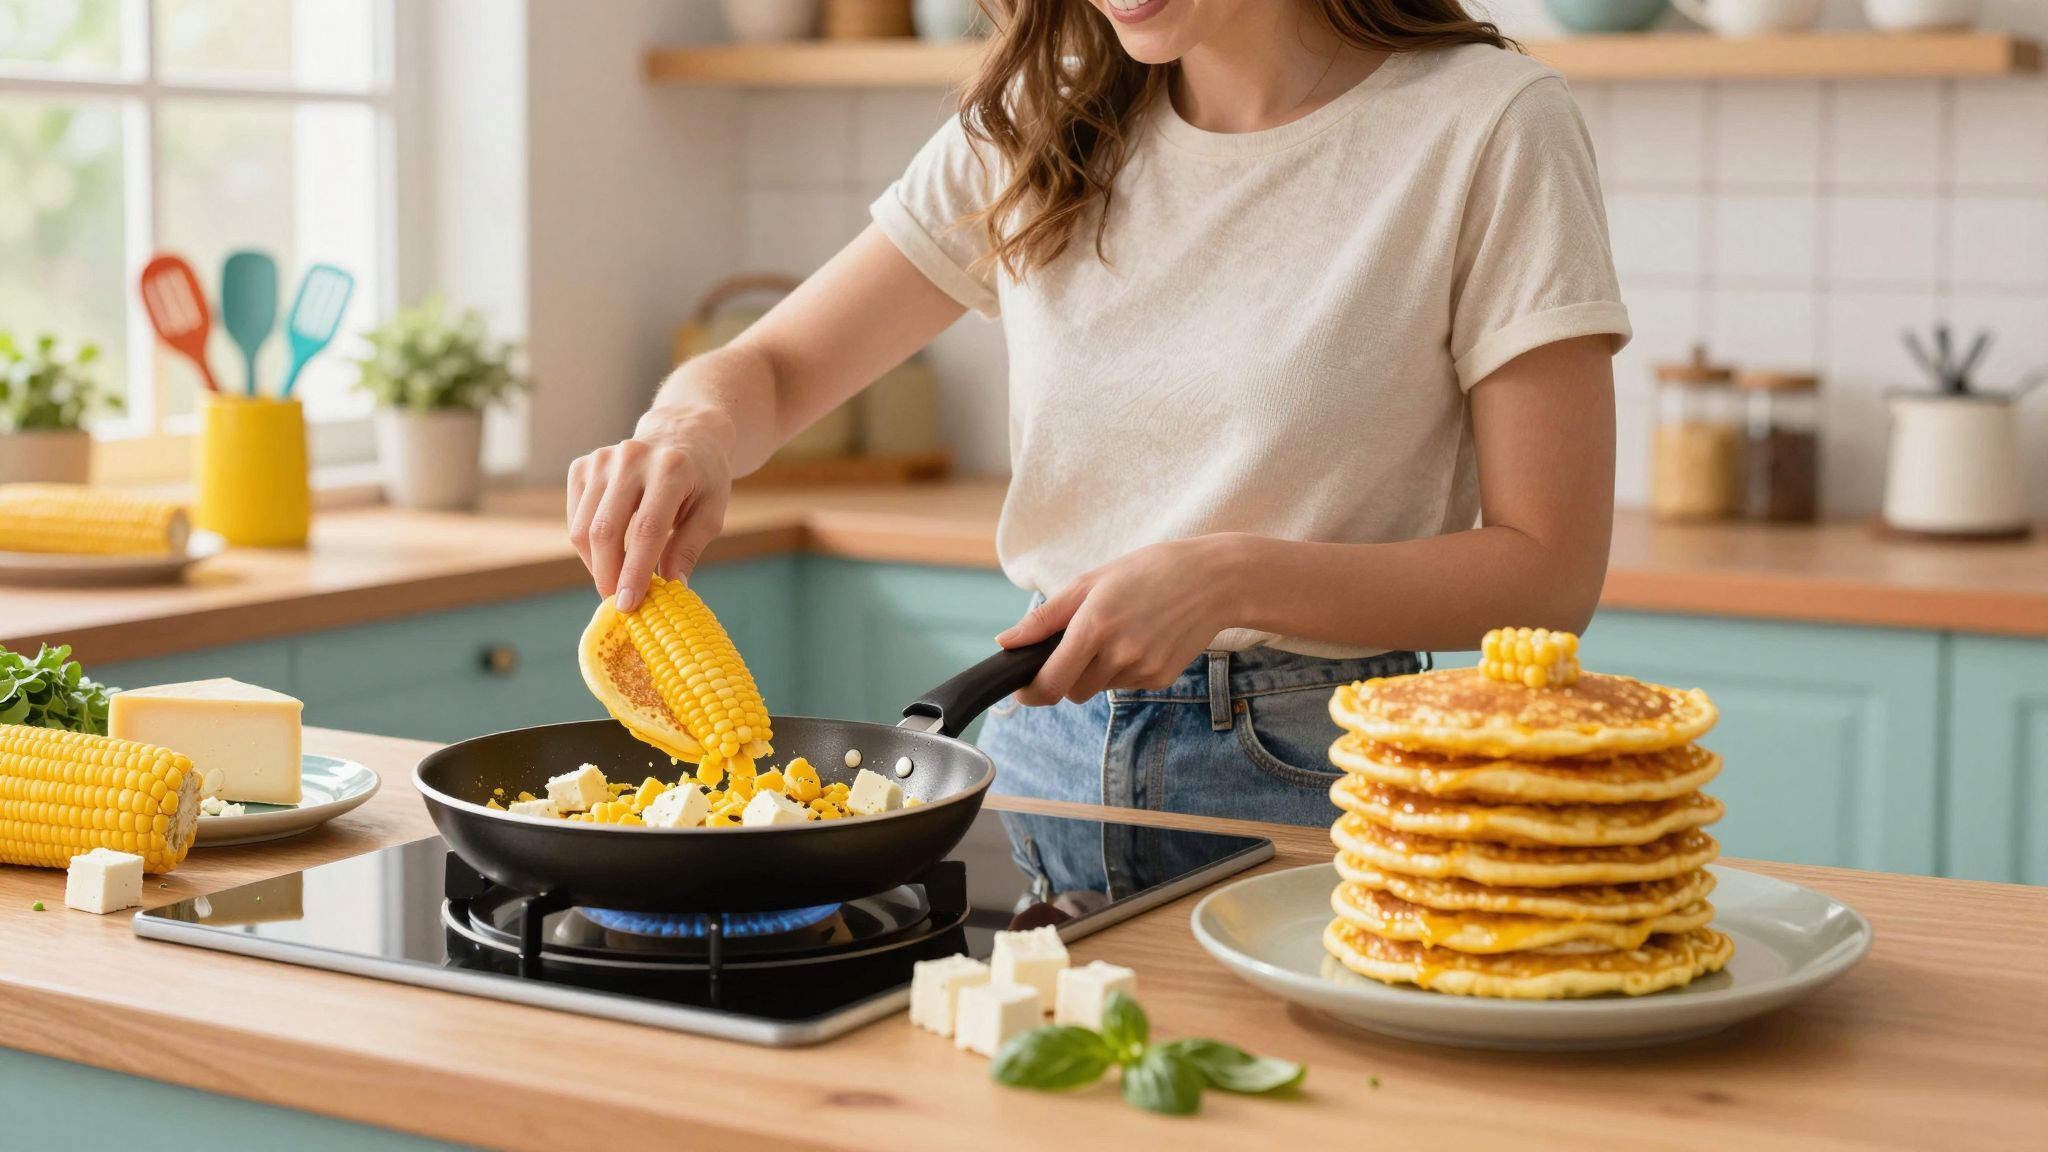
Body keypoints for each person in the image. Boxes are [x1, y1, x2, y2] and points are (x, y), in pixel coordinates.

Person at [567, 0, 1628, 833]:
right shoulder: (1038, 123)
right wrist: (687, 431)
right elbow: (772, 368)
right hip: (1039, 755)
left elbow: (1546, 573)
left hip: (1319, 769)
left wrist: (1224, 578)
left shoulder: (1485, 124)